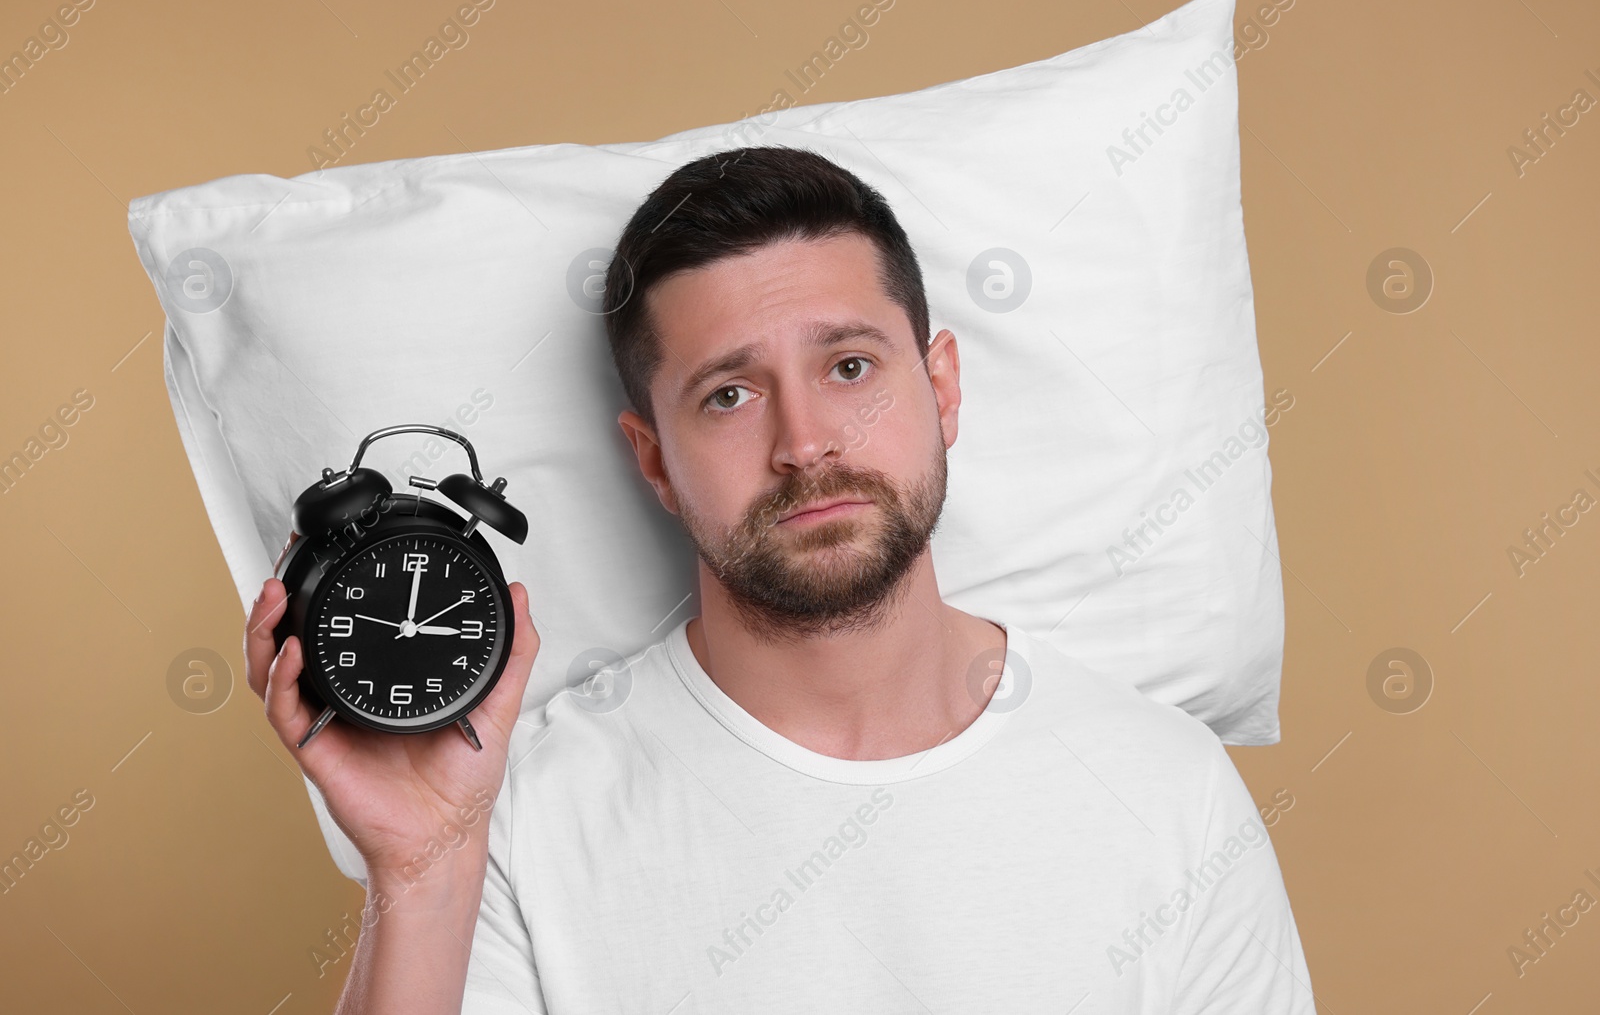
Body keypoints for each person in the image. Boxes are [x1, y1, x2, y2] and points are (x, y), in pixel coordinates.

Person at [246, 146, 1316, 1013]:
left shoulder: (1166, 792)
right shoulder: (527, 822)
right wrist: (422, 871)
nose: (804, 442)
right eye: (727, 395)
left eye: (848, 367)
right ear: (653, 457)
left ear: (941, 386)